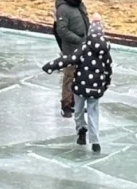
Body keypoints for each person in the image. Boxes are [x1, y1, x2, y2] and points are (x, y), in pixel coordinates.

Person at [43, 13, 112, 153]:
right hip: (95, 89)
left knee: (79, 111)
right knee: (93, 112)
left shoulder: (84, 47)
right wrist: (104, 86)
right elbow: (108, 70)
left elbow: (69, 59)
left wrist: (51, 65)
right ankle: (95, 141)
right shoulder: (105, 50)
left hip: (80, 86)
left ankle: (81, 129)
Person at [54, 0, 90, 118]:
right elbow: (61, 30)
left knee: (80, 76)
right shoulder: (63, 9)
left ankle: (77, 103)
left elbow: (85, 22)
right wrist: (78, 39)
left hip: (83, 47)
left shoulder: (79, 4)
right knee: (69, 76)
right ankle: (66, 105)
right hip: (71, 49)